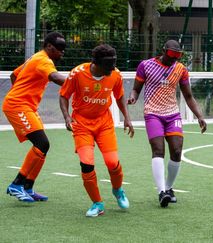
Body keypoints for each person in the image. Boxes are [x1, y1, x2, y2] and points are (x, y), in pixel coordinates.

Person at [128, 39, 207, 208]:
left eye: (178, 56)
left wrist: (199, 116)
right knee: (158, 150)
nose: (174, 59)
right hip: (153, 113)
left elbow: (188, 96)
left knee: (177, 150)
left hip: (172, 114)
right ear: (164, 51)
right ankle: (161, 191)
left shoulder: (180, 69)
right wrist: (133, 97)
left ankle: (169, 188)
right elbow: (136, 88)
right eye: (171, 55)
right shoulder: (146, 65)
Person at [59, 44, 134, 217]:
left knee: (112, 162)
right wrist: (66, 116)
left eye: (114, 64)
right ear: (96, 63)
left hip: (104, 124)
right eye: (108, 65)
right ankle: (97, 203)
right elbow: (64, 96)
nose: (112, 68)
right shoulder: (77, 73)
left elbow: (120, 96)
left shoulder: (115, 74)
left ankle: (118, 190)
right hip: (82, 124)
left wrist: (127, 119)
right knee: (86, 163)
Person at [3, 32, 66, 202]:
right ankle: (16, 185)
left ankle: (28, 187)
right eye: (59, 49)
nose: (62, 52)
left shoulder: (36, 57)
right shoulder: (43, 60)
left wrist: (22, 91)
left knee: (43, 146)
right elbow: (54, 77)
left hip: (26, 106)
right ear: (49, 47)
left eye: (63, 49)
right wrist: (79, 83)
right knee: (42, 143)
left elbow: (14, 75)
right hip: (18, 106)